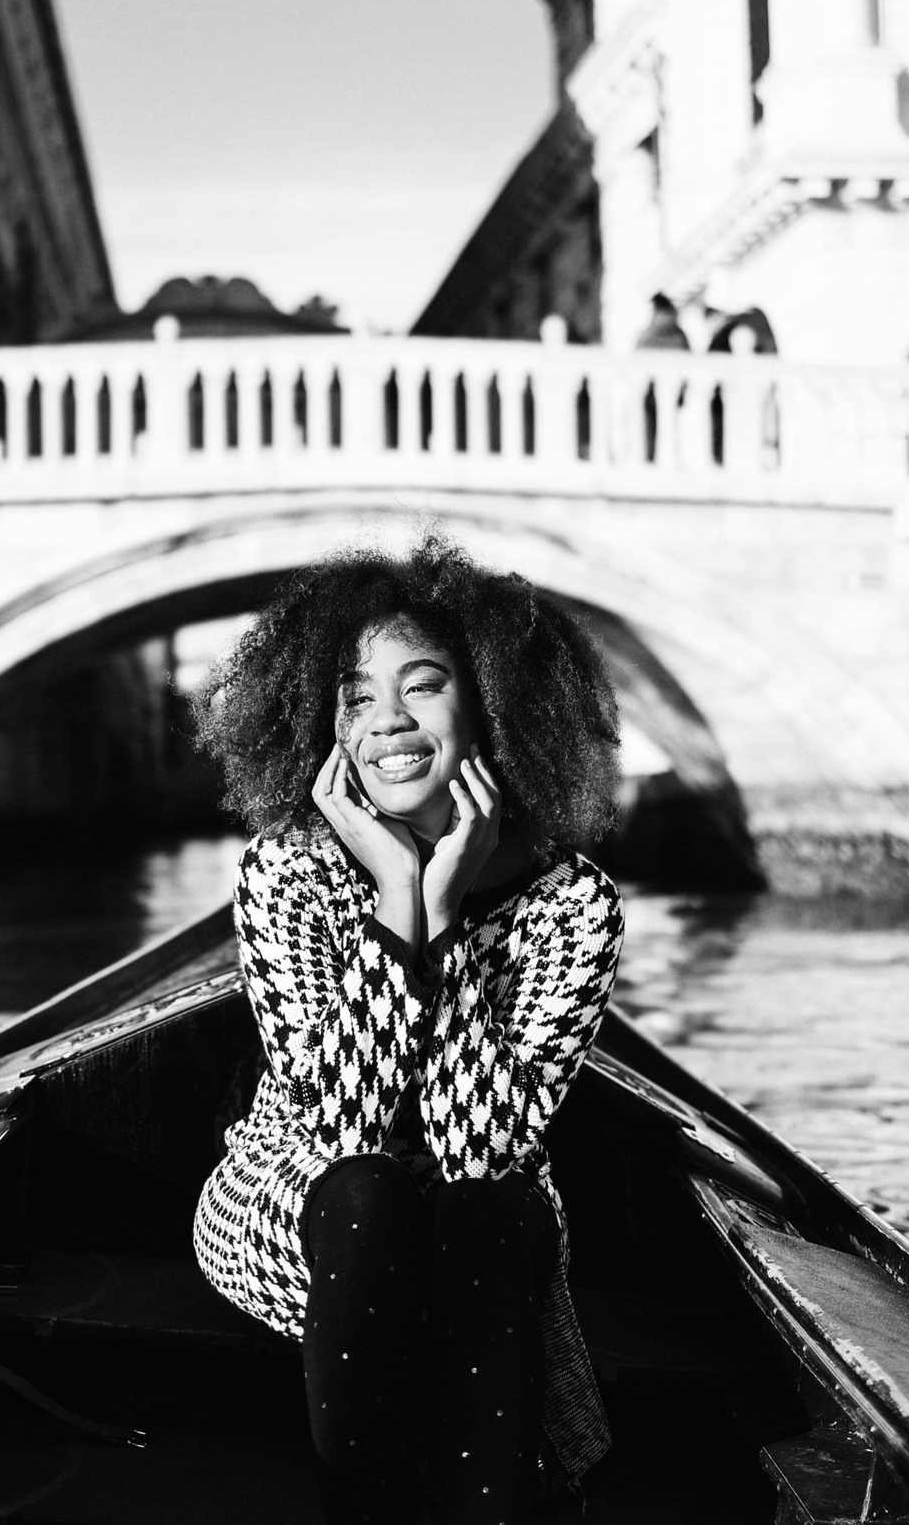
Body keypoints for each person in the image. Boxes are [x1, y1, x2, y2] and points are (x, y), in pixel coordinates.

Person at [189, 539, 625, 1524]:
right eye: (355, 697)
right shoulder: (289, 870)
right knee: (370, 1192)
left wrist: (449, 912)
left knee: (491, 1211)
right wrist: (398, 897)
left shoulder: (573, 906)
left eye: (421, 687)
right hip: (297, 1197)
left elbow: (481, 1150)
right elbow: (342, 1130)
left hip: (479, 1217)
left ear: (495, 706)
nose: (385, 719)